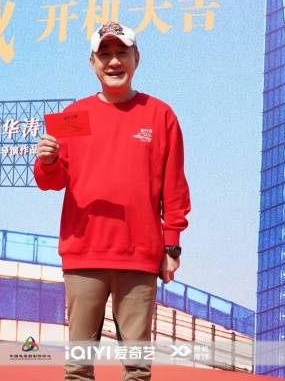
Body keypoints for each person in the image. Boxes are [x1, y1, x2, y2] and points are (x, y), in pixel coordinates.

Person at [34, 21, 191, 381]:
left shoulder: (160, 115)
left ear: (136, 59)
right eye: (105, 54)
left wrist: (172, 246)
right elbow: (50, 181)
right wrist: (48, 160)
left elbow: (174, 187)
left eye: (122, 53)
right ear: (92, 63)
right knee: (78, 368)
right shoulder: (74, 116)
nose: (114, 61)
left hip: (139, 254)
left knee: (137, 368)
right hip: (83, 253)